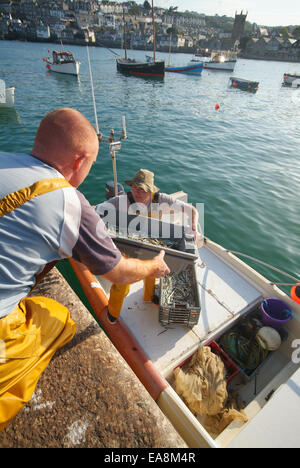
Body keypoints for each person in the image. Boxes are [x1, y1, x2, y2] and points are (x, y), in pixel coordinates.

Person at [0, 108, 170, 431]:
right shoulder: (71, 202)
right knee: (59, 320)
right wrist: (153, 265)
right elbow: (119, 273)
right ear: (79, 162)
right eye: (90, 164)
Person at [95, 169, 199, 319]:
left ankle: (148, 297)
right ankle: (112, 314)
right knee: (122, 283)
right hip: (129, 248)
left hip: (152, 249)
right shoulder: (122, 200)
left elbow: (192, 210)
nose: (137, 192)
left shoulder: (161, 200)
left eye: (142, 189)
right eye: (135, 187)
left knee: (151, 275)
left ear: (150, 190)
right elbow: (99, 209)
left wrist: (194, 226)